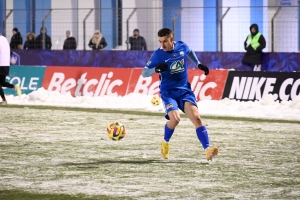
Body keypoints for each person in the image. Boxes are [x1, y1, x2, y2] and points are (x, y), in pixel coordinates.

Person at [142, 28, 218, 161]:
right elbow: (144, 73)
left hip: (184, 90)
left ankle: (207, 150)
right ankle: (165, 142)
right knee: (175, 119)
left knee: (197, 118)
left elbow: (189, 52)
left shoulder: (181, 46)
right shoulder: (158, 55)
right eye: (160, 42)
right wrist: (156, 69)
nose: (162, 45)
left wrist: (198, 64)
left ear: (172, 39)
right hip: (168, 92)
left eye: (165, 41)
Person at [0, 34, 22, 105]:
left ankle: (4, 100)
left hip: (1, 64)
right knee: (2, 83)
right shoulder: (5, 39)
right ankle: (14, 86)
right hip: (6, 64)